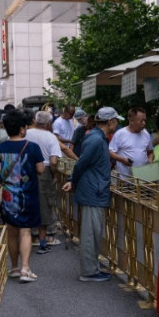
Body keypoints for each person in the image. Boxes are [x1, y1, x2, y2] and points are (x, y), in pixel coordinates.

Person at [0, 110, 47, 282]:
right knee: (25, 232)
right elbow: (41, 169)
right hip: (27, 196)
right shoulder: (32, 147)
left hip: (7, 197)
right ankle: (26, 269)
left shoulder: (0, 148)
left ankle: (14, 268)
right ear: (21, 129)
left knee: (11, 232)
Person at [64, 107, 120, 282]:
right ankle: (89, 271)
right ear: (110, 122)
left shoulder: (97, 138)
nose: (117, 124)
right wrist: (73, 180)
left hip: (95, 189)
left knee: (94, 232)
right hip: (93, 190)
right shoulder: (96, 139)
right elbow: (81, 163)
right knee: (91, 233)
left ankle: (92, 268)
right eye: (116, 121)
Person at [25, 110, 65, 253]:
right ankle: (42, 241)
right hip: (45, 172)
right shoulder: (50, 137)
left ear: (35, 121)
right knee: (45, 205)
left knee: (28, 203)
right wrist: (54, 174)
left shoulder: (26, 133)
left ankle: (30, 237)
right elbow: (54, 161)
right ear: (49, 123)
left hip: (26, 172)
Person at [108, 106, 155, 177]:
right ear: (132, 120)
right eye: (141, 120)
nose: (144, 123)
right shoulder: (120, 134)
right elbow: (111, 152)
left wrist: (150, 159)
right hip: (125, 179)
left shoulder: (146, 134)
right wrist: (123, 159)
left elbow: (150, 152)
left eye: (145, 120)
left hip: (143, 178)